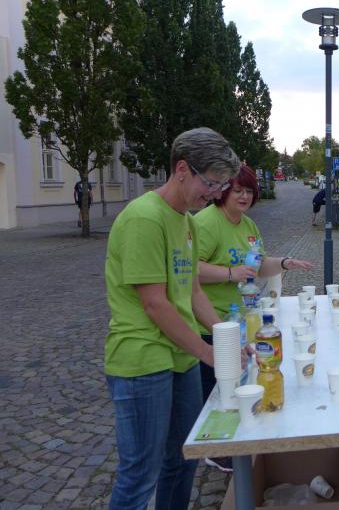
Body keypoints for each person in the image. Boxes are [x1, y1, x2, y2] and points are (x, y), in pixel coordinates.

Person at [104, 128, 241, 509]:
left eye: (221, 185)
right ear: (182, 169)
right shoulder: (144, 218)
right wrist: (208, 352)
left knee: (183, 459)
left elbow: (192, 291)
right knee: (139, 474)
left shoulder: (187, 221)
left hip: (180, 356)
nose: (214, 194)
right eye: (210, 183)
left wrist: (225, 339)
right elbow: (155, 304)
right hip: (142, 358)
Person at [194, 165, 312, 471]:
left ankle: (236, 441)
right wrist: (229, 273)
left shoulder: (248, 225)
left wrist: (284, 263)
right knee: (218, 391)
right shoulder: (207, 222)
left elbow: (257, 266)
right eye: (238, 190)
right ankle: (216, 449)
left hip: (241, 320)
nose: (244, 196)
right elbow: (191, 270)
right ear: (223, 192)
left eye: (249, 191)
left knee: (238, 383)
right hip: (210, 323)